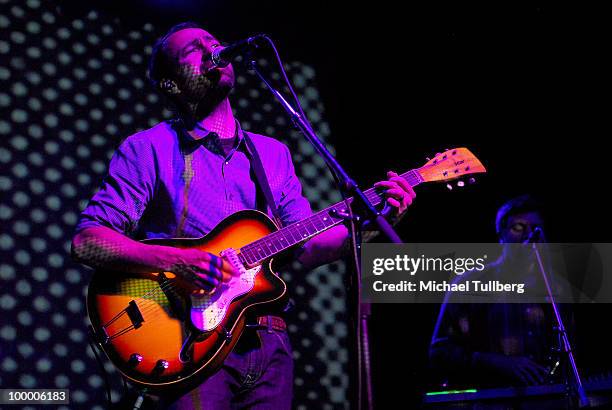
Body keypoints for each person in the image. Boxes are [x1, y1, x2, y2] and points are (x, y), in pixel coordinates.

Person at [71, 22, 416, 409]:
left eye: (214, 43)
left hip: (269, 343)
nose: (212, 49)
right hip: (187, 339)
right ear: (171, 85)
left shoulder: (272, 154)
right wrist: (179, 261)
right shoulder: (149, 148)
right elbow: (88, 242)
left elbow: (309, 247)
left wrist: (377, 221)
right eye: (193, 51)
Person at [429, 195, 573, 388]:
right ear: (501, 234)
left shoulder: (556, 287)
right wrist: (496, 362)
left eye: (536, 229)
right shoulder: (470, 283)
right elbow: (440, 352)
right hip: (487, 397)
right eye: (518, 228)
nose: (530, 237)